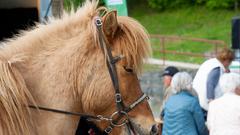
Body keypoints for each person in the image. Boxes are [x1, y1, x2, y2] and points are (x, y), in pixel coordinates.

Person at [192, 48, 234, 112]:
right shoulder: (217, 68)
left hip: (196, 97)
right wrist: (211, 101)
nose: (230, 64)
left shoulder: (210, 62)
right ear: (226, 60)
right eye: (230, 62)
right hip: (204, 103)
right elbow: (210, 83)